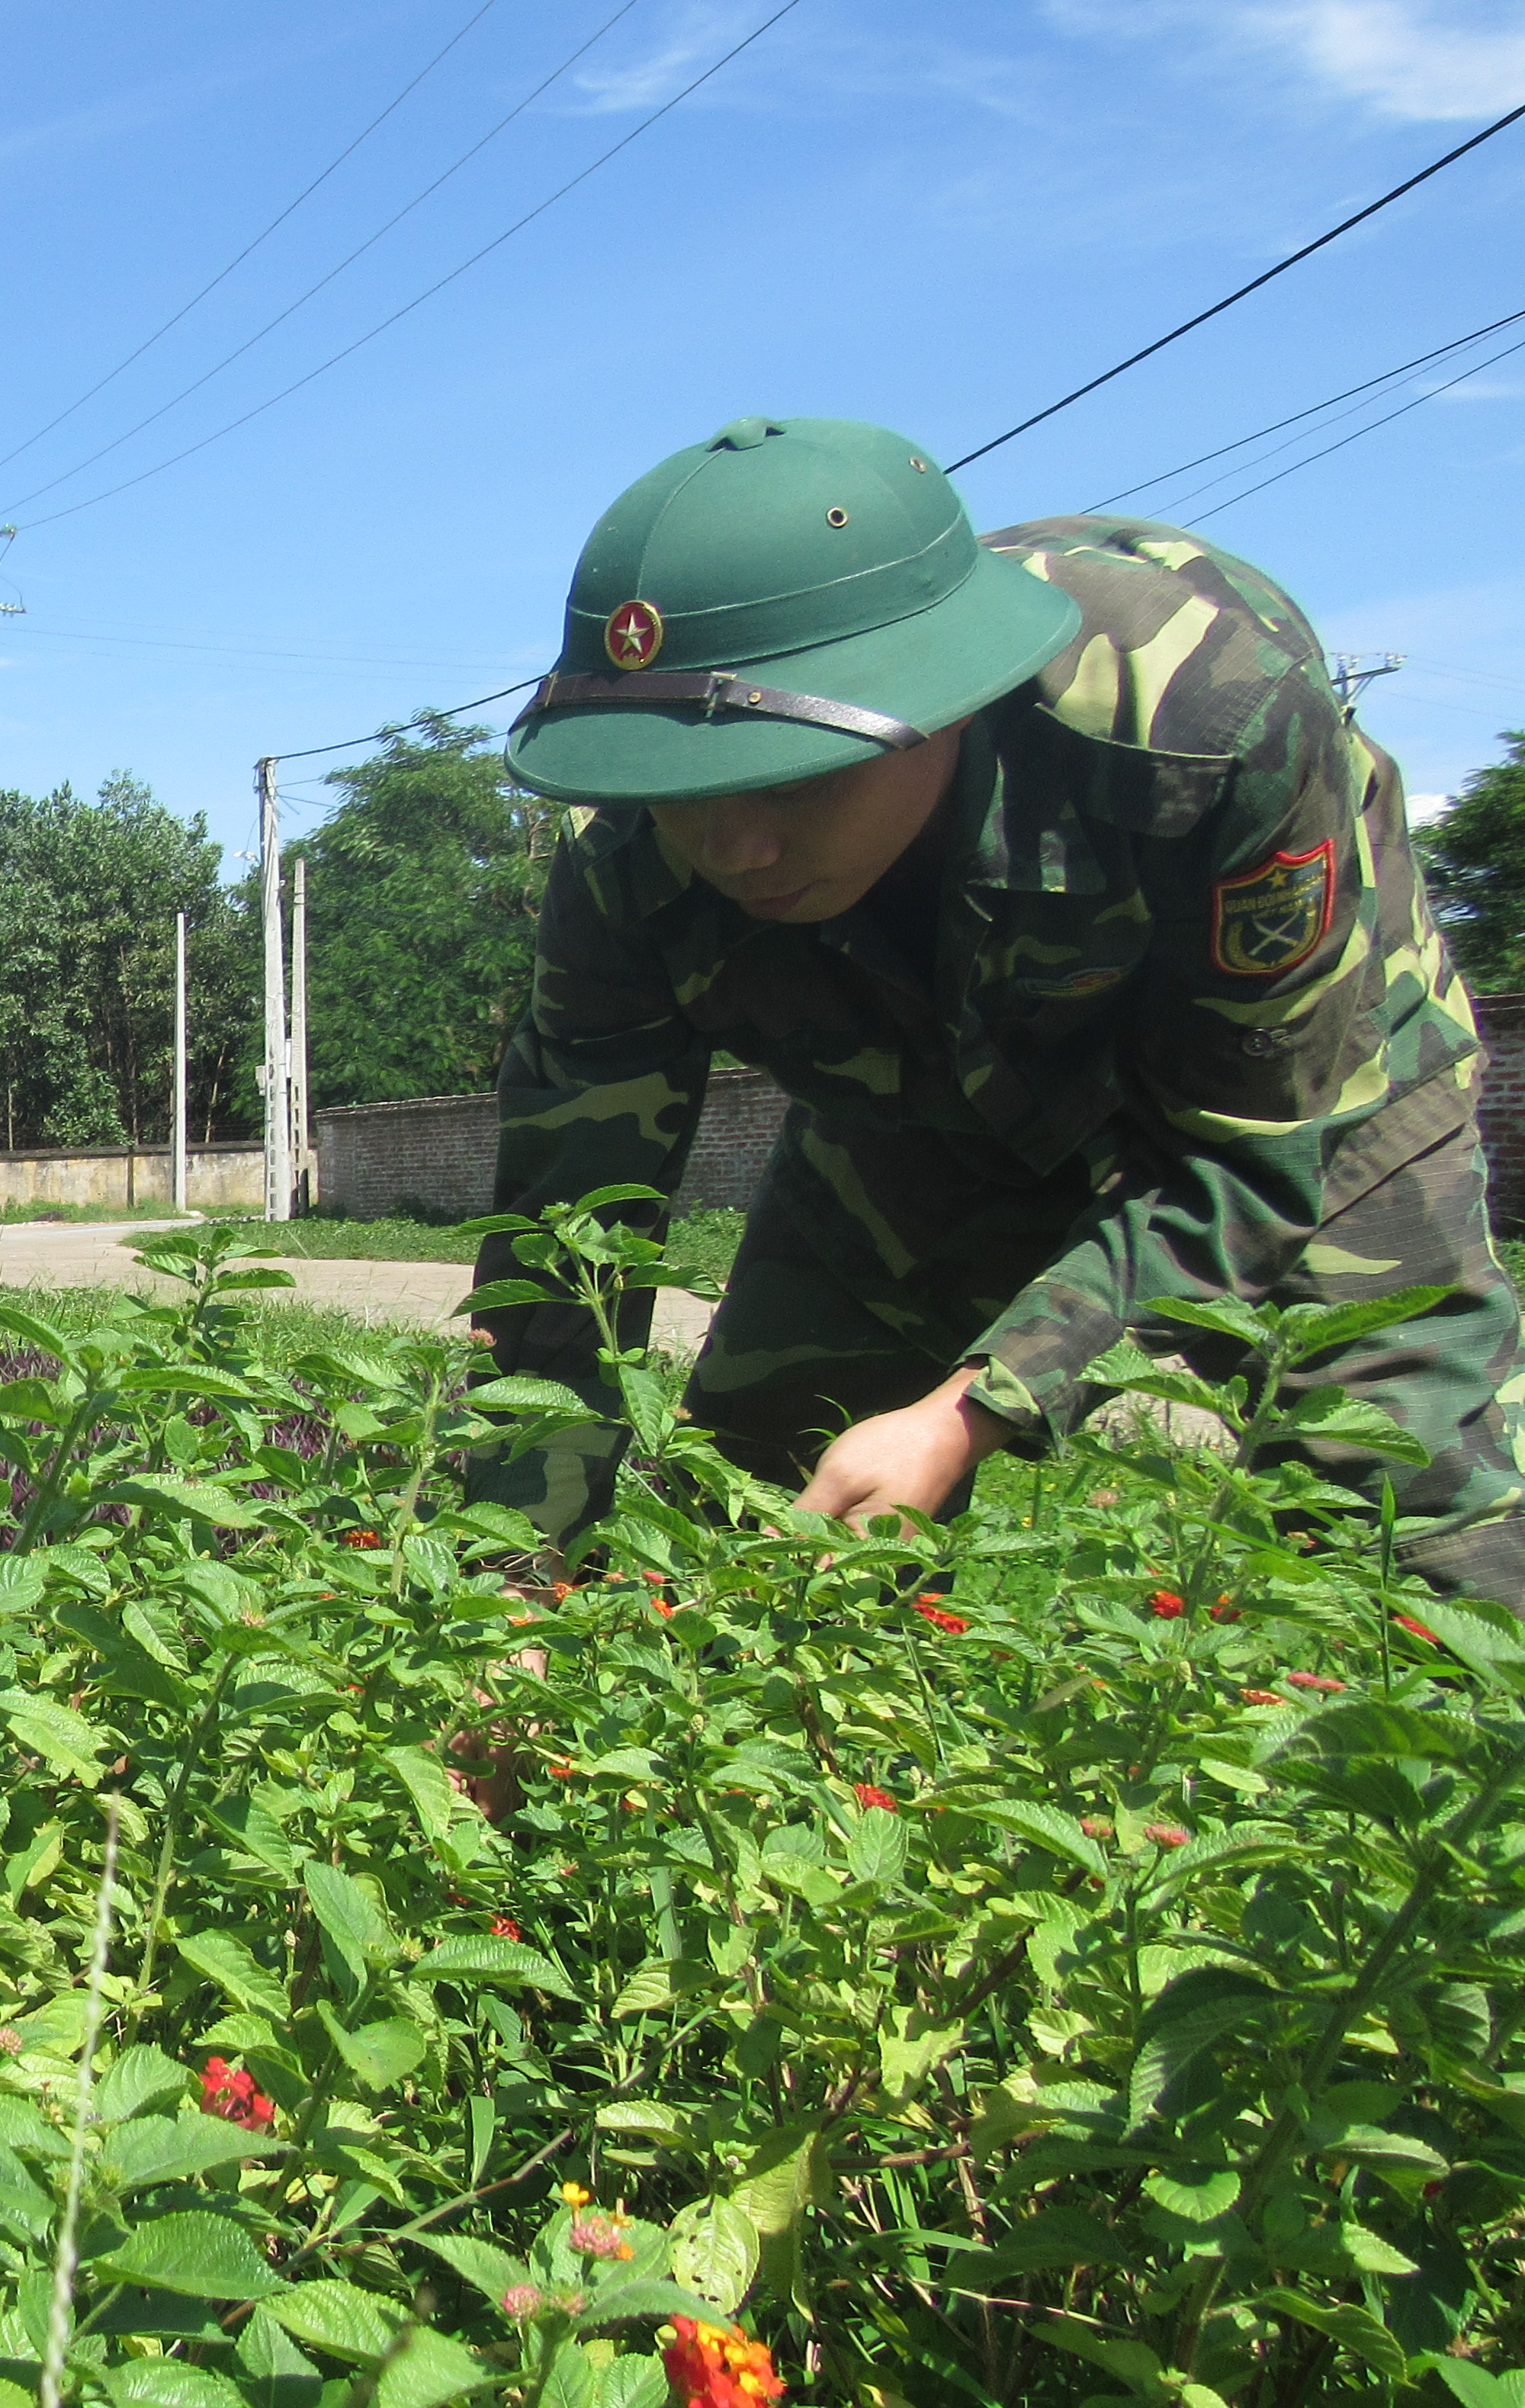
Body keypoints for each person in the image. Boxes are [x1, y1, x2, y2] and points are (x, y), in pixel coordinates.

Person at [474, 413, 1524, 1603]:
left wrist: (979, 1406)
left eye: (790, 778)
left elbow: (1247, 1156)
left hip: (1297, 1092)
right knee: (762, 1533)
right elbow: (562, 1248)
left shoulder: (1203, 722)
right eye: (685, 791)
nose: (736, 844)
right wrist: (505, 1584)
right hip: (914, 1121)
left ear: (949, 700)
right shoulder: (627, 863)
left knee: (1407, 1516)